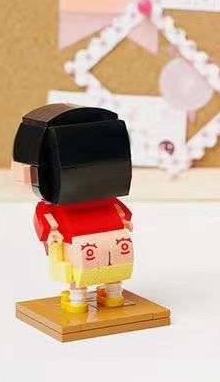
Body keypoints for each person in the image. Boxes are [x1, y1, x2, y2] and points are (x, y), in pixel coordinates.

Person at [12, 104, 133, 313]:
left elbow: (121, 209)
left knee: (114, 268)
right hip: (78, 239)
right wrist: (51, 234)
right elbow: (44, 218)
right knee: (81, 276)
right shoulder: (53, 206)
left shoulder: (108, 199)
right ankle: (82, 299)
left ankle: (110, 293)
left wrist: (124, 220)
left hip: (110, 233)